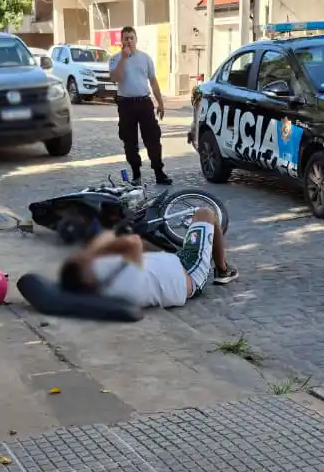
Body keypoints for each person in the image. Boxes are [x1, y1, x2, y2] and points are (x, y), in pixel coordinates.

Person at [59, 208, 237, 309]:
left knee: (142, 238)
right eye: (84, 264)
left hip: (171, 263)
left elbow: (113, 240)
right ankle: (222, 270)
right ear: (87, 280)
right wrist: (90, 253)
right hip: (189, 271)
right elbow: (133, 242)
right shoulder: (119, 289)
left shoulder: (102, 282)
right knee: (206, 213)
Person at [108, 26, 171, 186]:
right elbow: (115, 78)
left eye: (132, 38)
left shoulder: (145, 58)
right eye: (126, 38)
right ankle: (136, 173)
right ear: (121, 41)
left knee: (153, 139)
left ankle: (159, 172)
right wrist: (124, 58)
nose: (129, 41)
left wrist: (160, 103)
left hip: (144, 103)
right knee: (129, 141)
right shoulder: (115, 59)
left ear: (136, 39)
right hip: (126, 104)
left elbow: (153, 81)